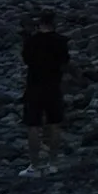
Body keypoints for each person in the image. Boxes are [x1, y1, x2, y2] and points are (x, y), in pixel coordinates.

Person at [20, 11, 68, 176]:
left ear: (39, 24)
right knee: (54, 123)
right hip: (53, 86)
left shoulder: (31, 41)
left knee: (33, 125)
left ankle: (35, 165)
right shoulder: (61, 41)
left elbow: (26, 61)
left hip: (34, 86)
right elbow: (64, 62)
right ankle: (52, 163)